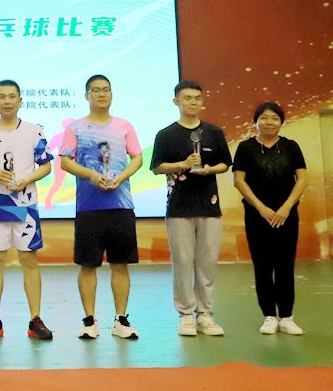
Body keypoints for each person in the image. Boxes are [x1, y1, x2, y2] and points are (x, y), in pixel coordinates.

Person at [0, 80, 54, 340]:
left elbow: (46, 165)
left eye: (12, 96)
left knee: (29, 260)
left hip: (26, 206)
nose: (7, 101)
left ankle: (35, 319)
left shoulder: (34, 131)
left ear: (20, 100)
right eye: (2, 97)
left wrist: (28, 179)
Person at [58, 75, 143, 340]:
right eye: (96, 90)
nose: (102, 94)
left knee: (120, 264)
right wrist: (91, 175)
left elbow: (137, 158)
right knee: (88, 265)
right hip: (89, 207)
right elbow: (65, 161)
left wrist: (121, 177)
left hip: (121, 205)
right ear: (87, 96)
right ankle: (89, 321)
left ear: (112, 94)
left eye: (106, 90)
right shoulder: (76, 127)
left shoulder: (124, 126)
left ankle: (121, 320)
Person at [150, 80, 232, 337]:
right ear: (176, 101)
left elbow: (225, 163)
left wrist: (210, 169)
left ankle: (205, 314)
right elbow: (156, 167)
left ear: (202, 101)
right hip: (179, 207)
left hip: (209, 206)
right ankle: (186, 314)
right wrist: (183, 164)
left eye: (197, 98)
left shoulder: (214, 132)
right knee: (183, 262)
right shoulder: (165, 134)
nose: (193, 102)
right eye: (187, 98)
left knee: (207, 262)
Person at [233, 102, 308, 336]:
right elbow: (239, 181)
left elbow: (302, 179)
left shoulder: (291, 146)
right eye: (264, 118)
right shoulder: (245, 148)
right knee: (263, 266)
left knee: (285, 265)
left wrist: (286, 207)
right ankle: (269, 316)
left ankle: (286, 317)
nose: (269, 122)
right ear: (255, 122)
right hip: (257, 216)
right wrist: (261, 208)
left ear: (281, 122)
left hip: (287, 216)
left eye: (274, 118)